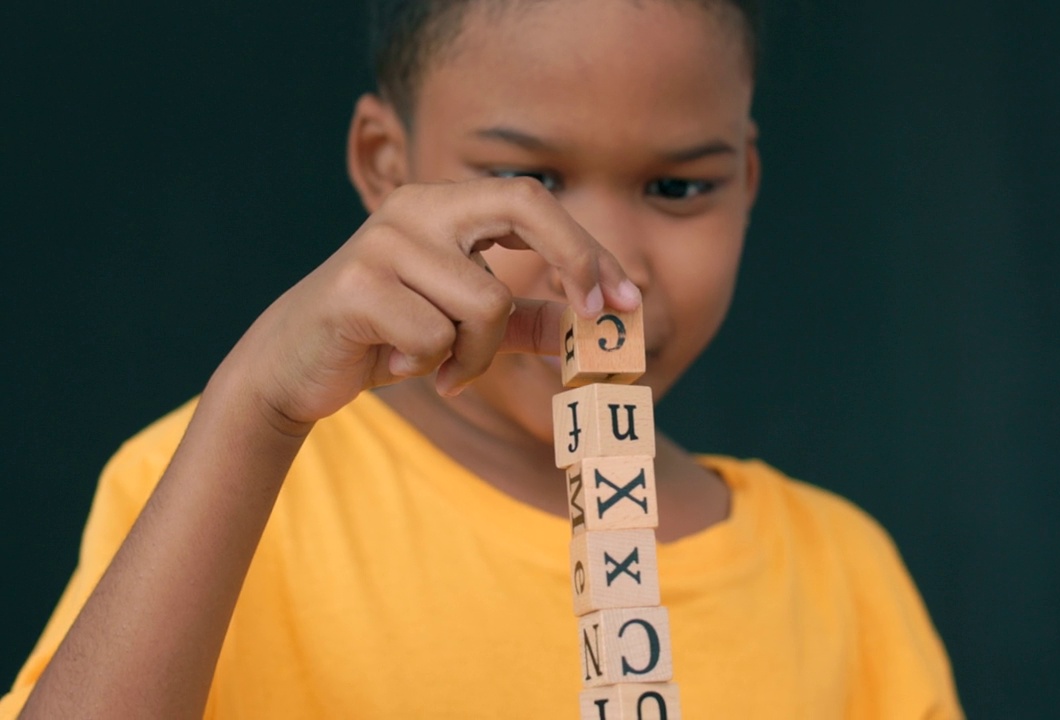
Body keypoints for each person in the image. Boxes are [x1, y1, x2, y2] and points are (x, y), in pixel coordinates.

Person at [1, 0, 963, 717]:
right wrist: (252, 410)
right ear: (386, 166)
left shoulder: (845, 578)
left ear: (747, 179)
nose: (609, 265)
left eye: (678, 186)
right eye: (527, 181)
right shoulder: (226, 478)